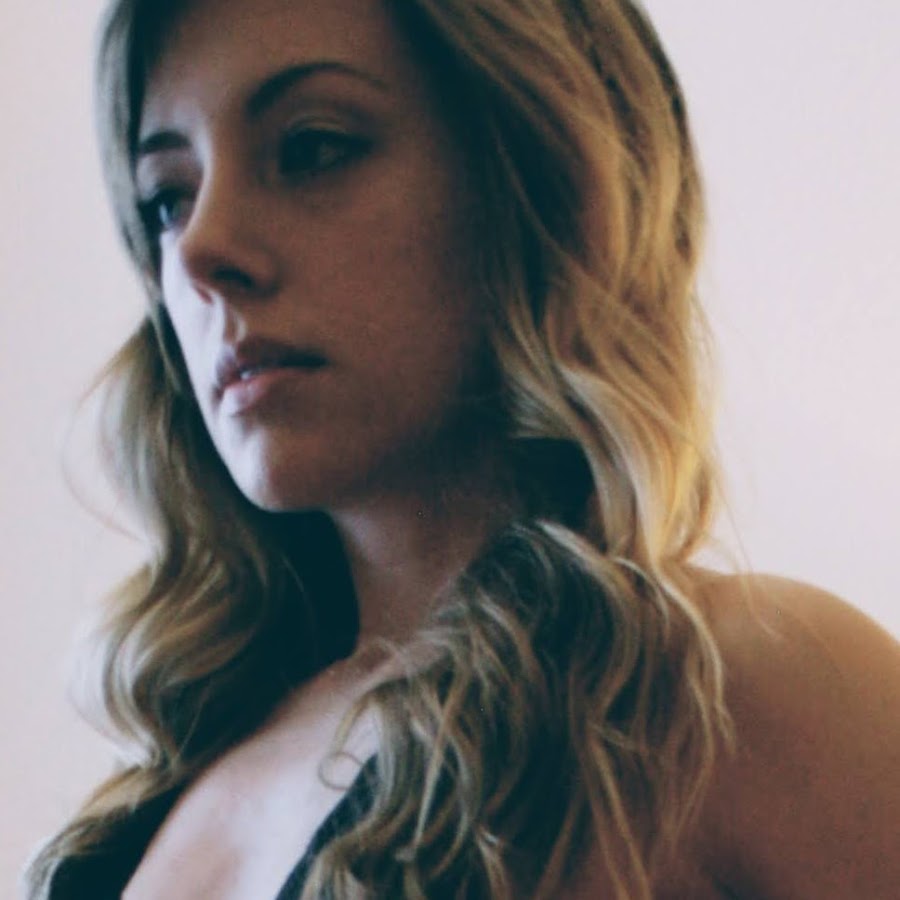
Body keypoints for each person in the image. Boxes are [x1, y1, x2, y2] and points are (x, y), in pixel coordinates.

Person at [24, 0, 899, 897]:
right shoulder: (165, 784)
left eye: (313, 148)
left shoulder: (740, 698)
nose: (201, 248)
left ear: (537, 177)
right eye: (167, 199)